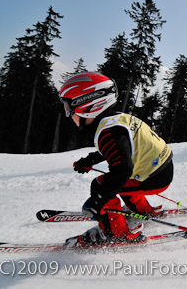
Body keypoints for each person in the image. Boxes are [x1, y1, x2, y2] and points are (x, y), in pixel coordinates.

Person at [60, 72, 173, 248]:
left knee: (101, 185)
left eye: (69, 108)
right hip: (161, 170)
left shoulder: (108, 131)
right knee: (117, 182)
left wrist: (98, 201)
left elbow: (122, 169)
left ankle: (115, 232)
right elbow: (117, 151)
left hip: (154, 177)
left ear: (87, 105)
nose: (69, 115)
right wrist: (90, 160)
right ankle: (142, 210)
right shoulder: (115, 121)